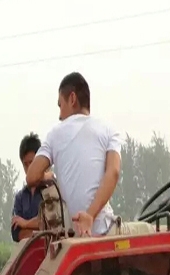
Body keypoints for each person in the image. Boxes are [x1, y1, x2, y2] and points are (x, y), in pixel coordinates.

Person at [25, 71, 122, 237]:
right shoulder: (109, 130)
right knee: (165, 231)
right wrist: (90, 216)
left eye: (60, 105)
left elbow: (31, 176)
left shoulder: (55, 134)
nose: (60, 115)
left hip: (78, 235)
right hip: (107, 230)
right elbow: (113, 172)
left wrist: (47, 176)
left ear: (72, 99)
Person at [11, 132, 56, 241]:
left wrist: (26, 224)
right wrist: (38, 229)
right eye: (25, 164)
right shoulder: (20, 197)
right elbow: (16, 233)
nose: (28, 168)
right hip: (27, 253)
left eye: (31, 163)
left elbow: (52, 223)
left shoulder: (52, 188)